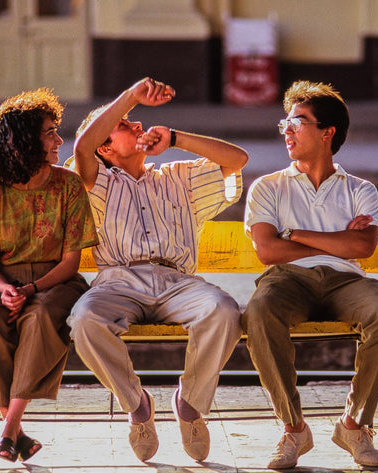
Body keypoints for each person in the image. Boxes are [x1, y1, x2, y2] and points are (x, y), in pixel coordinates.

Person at [66, 77, 249, 463]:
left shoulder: (178, 175)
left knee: (224, 311)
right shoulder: (94, 181)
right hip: (118, 280)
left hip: (177, 281)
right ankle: (137, 405)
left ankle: (190, 403)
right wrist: (131, 95)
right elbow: (82, 145)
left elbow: (238, 160)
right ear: (106, 147)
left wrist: (176, 137)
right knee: (84, 319)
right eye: (123, 124)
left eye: (135, 120)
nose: (137, 125)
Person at [241, 80, 378, 469]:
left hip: (346, 281)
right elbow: (268, 250)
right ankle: (293, 429)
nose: (287, 129)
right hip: (287, 280)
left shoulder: (360, 189)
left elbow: (362, 248)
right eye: (284, 122)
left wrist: (296, 234)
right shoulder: (268, 187)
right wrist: (336, 240)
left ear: (326, 133)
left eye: (298, 121)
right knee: (259, 313)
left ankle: (353, 425)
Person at [0, 88, 98, 463]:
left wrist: (32, 288)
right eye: (50, 132)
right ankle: (16, 434)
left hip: (57, 281)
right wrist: (8, 290)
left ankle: (8, 428)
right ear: (23, 140)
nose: (59, 140)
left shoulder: (68, 185)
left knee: (40, 316)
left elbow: (71, 262)